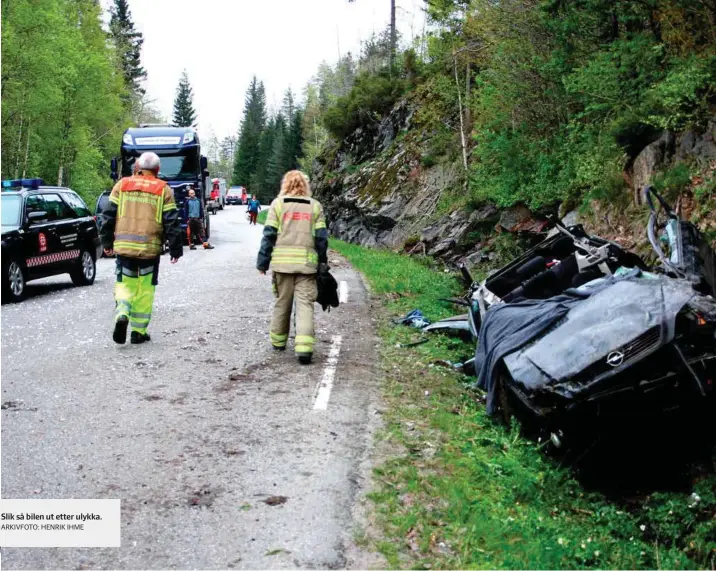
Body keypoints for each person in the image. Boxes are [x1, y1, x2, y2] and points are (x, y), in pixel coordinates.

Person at [100, 152, 183, 344]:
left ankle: (122, 313)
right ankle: (138, 332)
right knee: (145, 289)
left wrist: (106, 243)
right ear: (157, 169)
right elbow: (171, 221)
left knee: (124, 285)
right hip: (149, 249)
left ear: (137, 167)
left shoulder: (122, 185)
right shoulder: (164, 189)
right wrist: (176, 249)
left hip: (124, 247)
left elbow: (108, 215)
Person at [257, 171, 328, 364]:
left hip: (283, 265)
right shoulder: (314, 206)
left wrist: (262, 262)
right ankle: (304, 349)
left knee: (282, 302)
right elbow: (321, 238)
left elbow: (269, 235)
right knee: (305, 305)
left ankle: (278, 342)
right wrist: (322, 262)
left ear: (285, 184)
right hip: (306, 265)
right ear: (305, 185)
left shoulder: (278, 205)